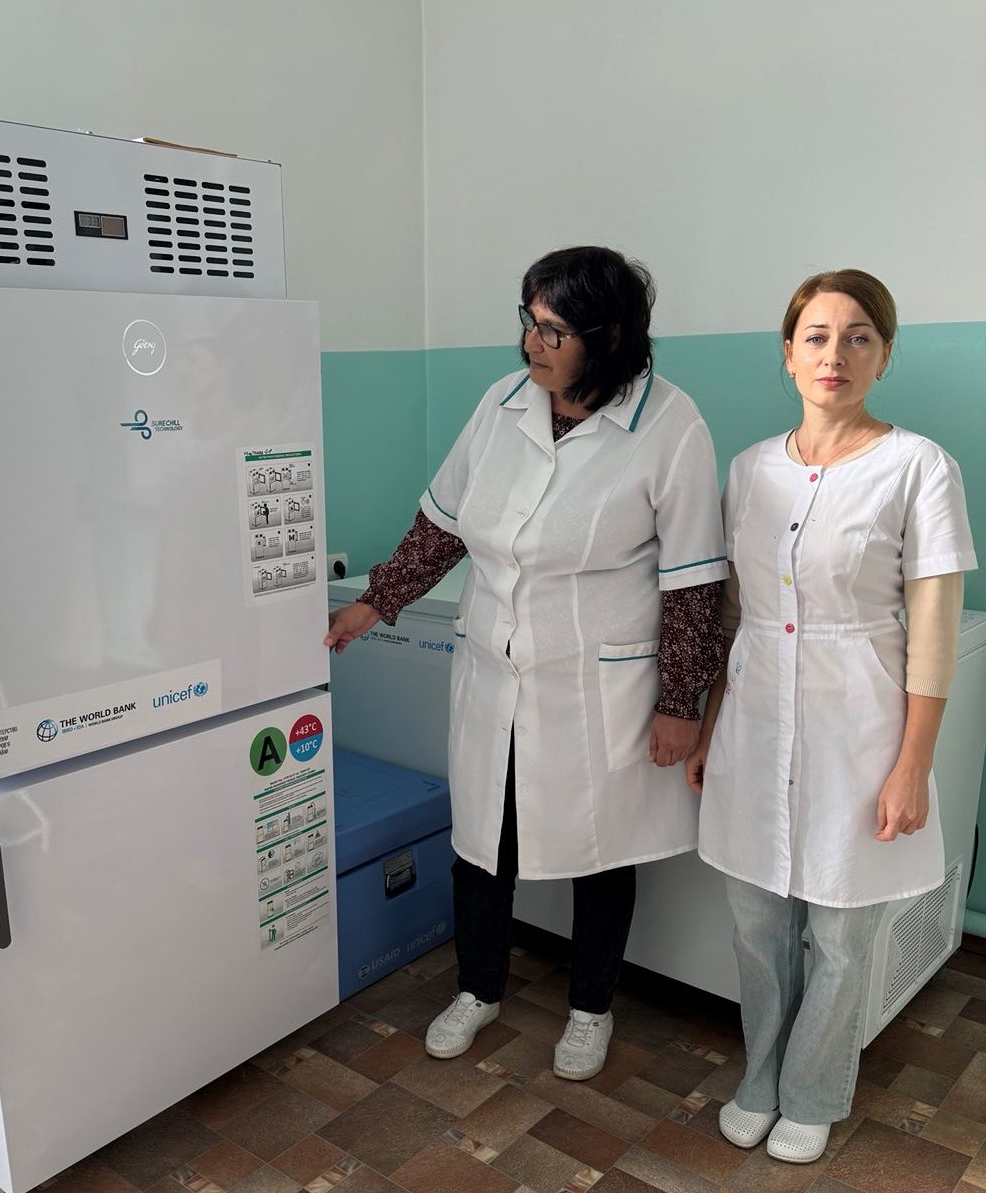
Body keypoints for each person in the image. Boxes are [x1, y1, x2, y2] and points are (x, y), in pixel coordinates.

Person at [326, 246, 727, 1079]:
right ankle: (478, 989)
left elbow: (693, 580)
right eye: (529, 322)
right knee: (483, 841)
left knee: (601, 850)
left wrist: (680, 701)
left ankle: (591, 1009)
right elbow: (443, 523)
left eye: (553, 330)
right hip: (493, 669)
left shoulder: (669, 424)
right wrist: (376, 600)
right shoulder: (502, 403)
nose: (530, 344)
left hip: (599, 682)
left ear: (607, 336)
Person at [687, 269, 977, 1162]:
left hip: (863, 733)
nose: (835, 354)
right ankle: (761, 1075)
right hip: (753, 724)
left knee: (843, 932)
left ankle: (812, 1094)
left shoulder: (919, 467)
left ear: (884, 355)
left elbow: (933, 637)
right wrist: (709, 726)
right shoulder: (749, 470)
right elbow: (732, 617)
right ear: (788, 353)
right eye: (816, 336)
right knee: (756, 922)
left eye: (858, 337)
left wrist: (912, 764)